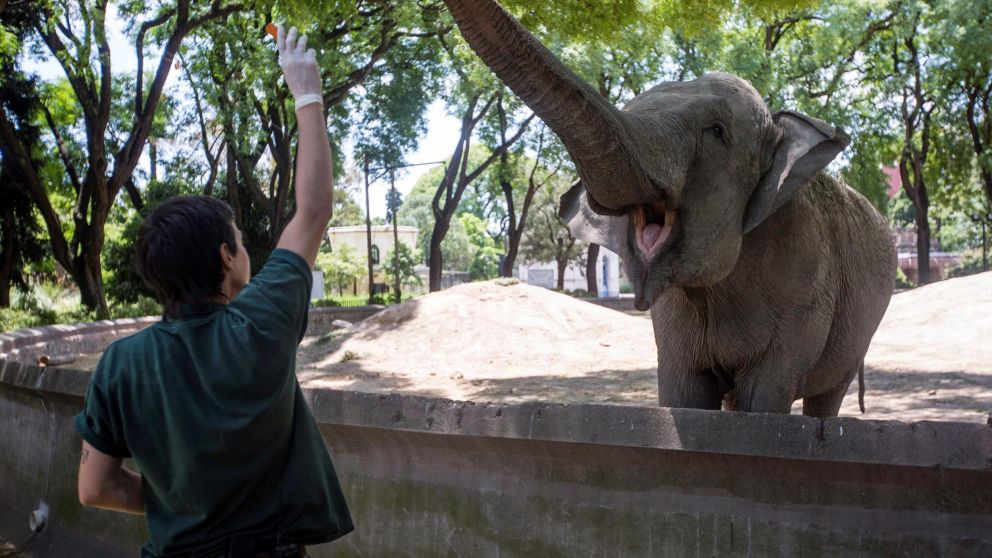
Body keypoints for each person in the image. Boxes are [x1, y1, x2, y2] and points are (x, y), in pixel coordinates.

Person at [73, 25, 352, 558]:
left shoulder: (119, 365)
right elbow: (313, 210)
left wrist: (177, 510)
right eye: (242, 242)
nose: (247, 250)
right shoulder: (261, 324)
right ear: (226, 257)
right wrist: (307, 94)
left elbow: (94, 488)